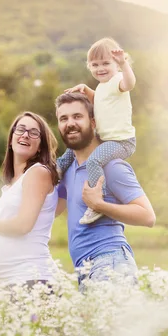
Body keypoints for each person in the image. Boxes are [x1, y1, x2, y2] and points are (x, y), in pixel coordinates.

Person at [54, 92, 155, 291]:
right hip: (84, 269)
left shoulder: (112, 167)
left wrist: (99, 205)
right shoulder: (69, 169)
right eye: (63, 118)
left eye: (77, 116)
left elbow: (147, 216)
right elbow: (54, 210)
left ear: (93, 123)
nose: (70, 123)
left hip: (111, 263)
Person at [57, 37, 137, 225]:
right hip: (104, 138)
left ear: (116, 64)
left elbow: (130, 83)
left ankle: (96, 202)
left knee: (93, 161)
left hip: (121, 142)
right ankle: (58, 168)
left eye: (106, 63)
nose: (100, 68)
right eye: (95, 64)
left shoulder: (118, 81)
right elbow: (99, 101)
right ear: (89, 66)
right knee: (75, 149)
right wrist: (86, 89)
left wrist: (124, 65)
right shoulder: (102, 87)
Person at [0, 111, 60, 289]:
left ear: (40, 146)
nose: (25, 135)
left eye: (34, 132)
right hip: (15, 282)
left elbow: (23, 225)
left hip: (32, 280)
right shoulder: (12, 184)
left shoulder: (38, 172)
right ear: (11, 138)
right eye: (21, 129)